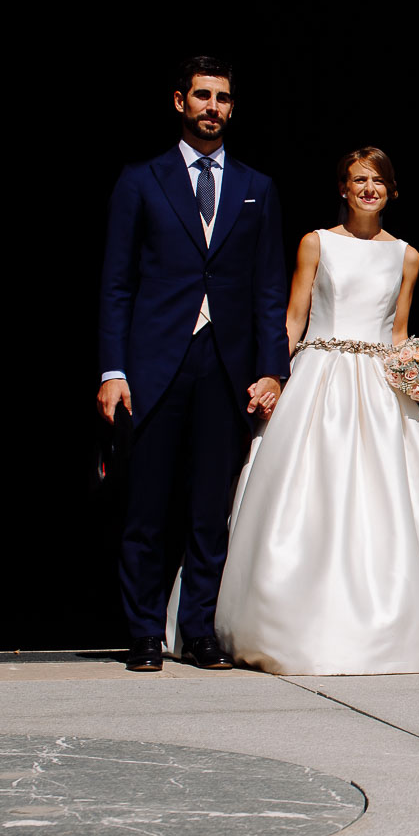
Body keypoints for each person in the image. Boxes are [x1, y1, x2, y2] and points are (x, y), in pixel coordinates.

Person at [215, 148, 419, 674]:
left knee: (389, 500)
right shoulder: (316, 244)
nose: (368, 188)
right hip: (320, 377)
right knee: (310, 493)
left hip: (379, 388)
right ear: (342, 187)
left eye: (378, 180)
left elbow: (399, 330)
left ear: (392, 191)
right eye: (359, 179)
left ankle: (396, 622)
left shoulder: (407, 255)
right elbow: (293, 319)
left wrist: (417, 369)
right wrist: (273, 375)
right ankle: (287, 619)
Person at [97, 57, 289, 673]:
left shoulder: (258, 186)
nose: (213, 106)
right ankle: (144, 633)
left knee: (212, 507)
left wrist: (273, 369)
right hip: (155, 362)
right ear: (179, 101)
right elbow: (116, 284)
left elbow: (268, 289)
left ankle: (199, 630)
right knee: (147, 506)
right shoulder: (141, 179)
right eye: (203, 95)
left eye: (224, 97)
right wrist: (112, 369)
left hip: (227, 365)